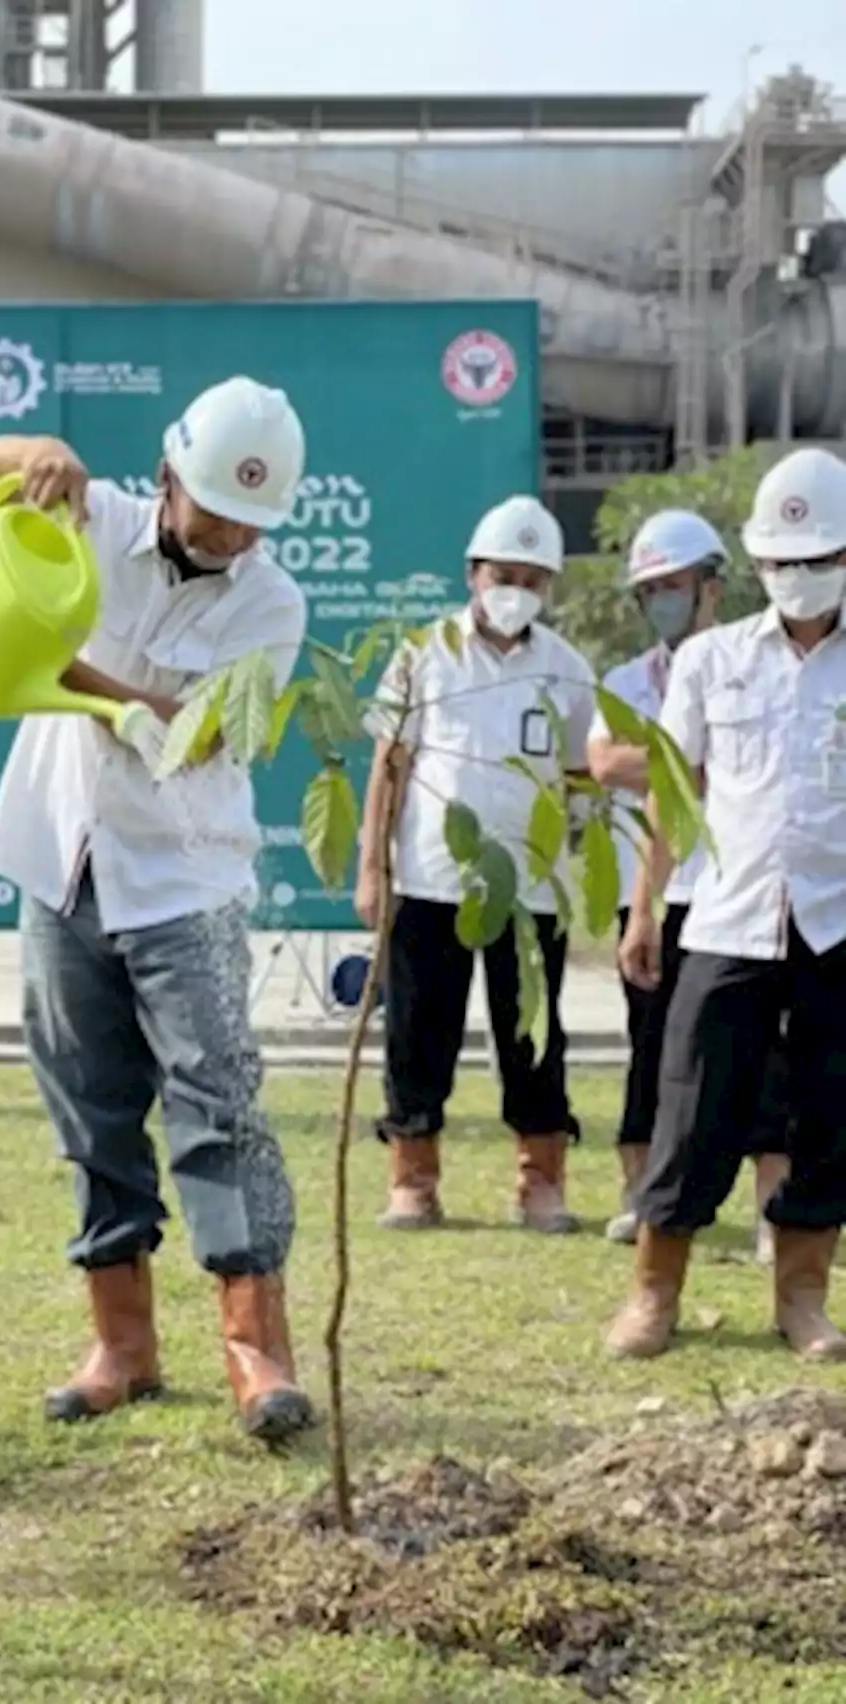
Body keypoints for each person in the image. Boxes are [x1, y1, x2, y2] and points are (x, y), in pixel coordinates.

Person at [0, 376, 317, 1441]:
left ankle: (257, 1349)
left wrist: (64, 673)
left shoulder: (270, 601)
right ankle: (121, 1344)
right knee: (89, 1103)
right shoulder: (92, 519)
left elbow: (200, 734)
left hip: (184, 879)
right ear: (165, 478)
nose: (233, 535)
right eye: (214, 511)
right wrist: (36, 449)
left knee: (219, 1102)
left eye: (254, 520)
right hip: (58, 861)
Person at [610, 445, 846, 1362]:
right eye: (784, 563)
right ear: (756, 564)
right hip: (726, 918)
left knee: (825, 1117)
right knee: (692, 1110)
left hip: (835, 923)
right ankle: (653, 1295)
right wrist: (641, 910)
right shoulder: (711, 662)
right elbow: (673, 793)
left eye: (820, 561)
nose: (800, 578)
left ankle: (802, 1299)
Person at [357, 495, 595, 1233]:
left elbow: (584, 772)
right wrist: (373, 865)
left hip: (528, 891)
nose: (515, 590)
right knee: (418, 1033)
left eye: (533, 578)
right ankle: (413, 1179)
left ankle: (541, 1180)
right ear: (472, 573)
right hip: (431, 878)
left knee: (531, 1034)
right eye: (503, 573)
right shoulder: (423, 653)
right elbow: (390, 763)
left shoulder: (566, 668)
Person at [587, 512, 791, 1258]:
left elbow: (666, 767)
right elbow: (609, 765)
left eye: (673, 586)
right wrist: (707, 763)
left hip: (740, 892)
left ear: (712, 585)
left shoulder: (750, 661)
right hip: (664, 890)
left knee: (771, 1062)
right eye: (650, 591)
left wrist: (690, 763)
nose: (662, 602)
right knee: (658, 1055)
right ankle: (645, 1200)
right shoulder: (625, 681)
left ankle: (778, 1212)